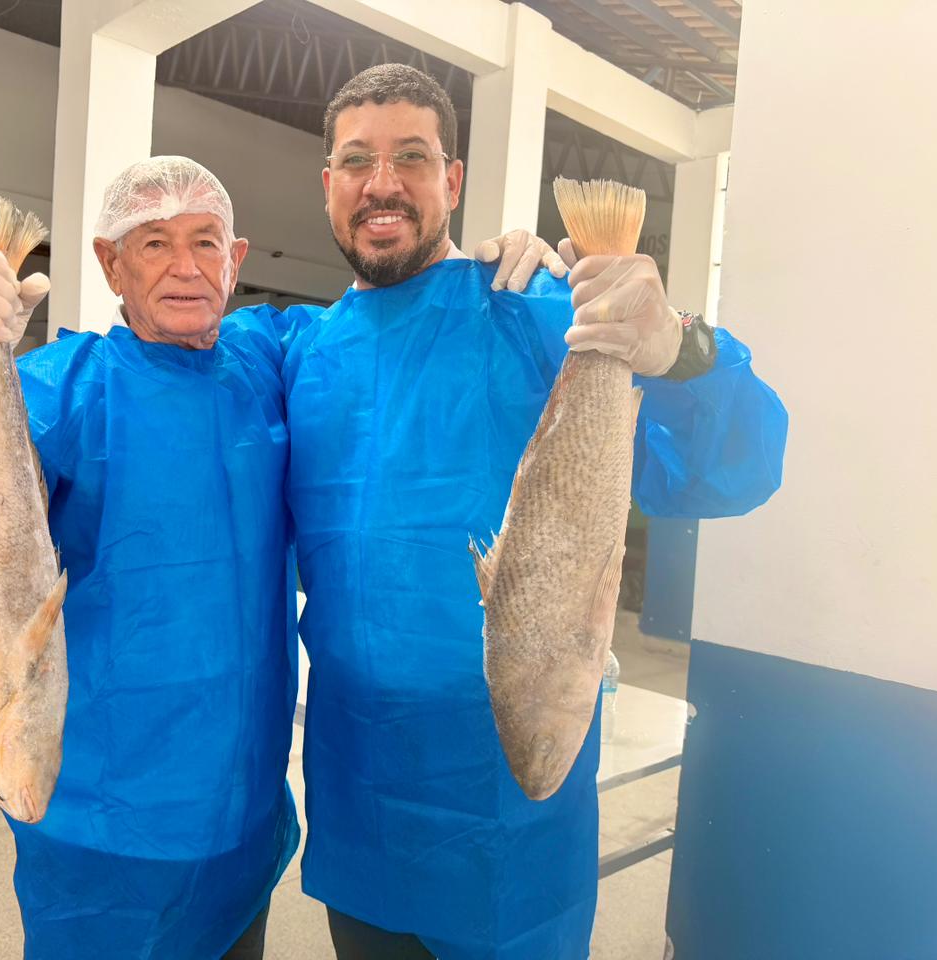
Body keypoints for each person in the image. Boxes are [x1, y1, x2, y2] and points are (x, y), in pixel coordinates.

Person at [0, 155, 555, 959]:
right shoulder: (58, 389)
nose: (186, 268)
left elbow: (387, 321)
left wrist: (486, 269)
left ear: (237, 260)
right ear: (109, 264)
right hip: (104, 849)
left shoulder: (275, 358)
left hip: (244, 839)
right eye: (153, 244)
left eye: (205, 242)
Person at [274, 64, 788, 959]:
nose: (382, 182)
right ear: (328, 186)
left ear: (454, 180)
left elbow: (728, 474)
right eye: (357, 160)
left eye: (412, 158)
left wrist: (681, 348)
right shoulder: (299, 355)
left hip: (511, 809)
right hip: (360, 817)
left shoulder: (530, 313)